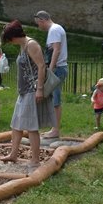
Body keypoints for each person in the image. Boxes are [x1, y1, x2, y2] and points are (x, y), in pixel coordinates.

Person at [0, 20, 55, 171]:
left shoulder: (31, 44)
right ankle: (13, 154)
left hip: (32, 89)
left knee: (31, 127)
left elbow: (42, 66)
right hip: (24, 90)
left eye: (9, 39)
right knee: (16, 125)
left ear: (14, 36)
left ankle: (35, 160)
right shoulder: (23, 45)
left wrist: (40, 89)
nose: (10, 42)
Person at [34, 10, 68, 139]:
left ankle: (55, 130)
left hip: (58, 68)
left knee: (55, 100)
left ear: (42, 20)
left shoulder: (54, 30)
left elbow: (56, 50)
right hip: (58, 68)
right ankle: (54, 128)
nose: (39, 27)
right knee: (53, 99)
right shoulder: (56, 29)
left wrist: (51, 69)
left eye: (38, 24)